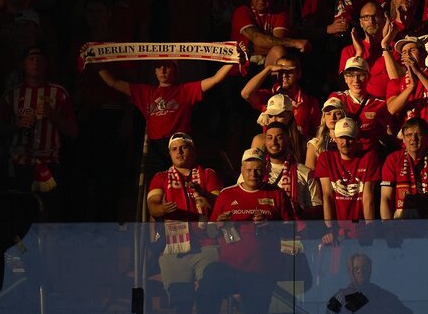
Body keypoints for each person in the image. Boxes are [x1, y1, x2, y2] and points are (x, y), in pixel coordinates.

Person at [196, 147, 295, 314]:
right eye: (249, 170)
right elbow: (210, 233)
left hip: (262, 270)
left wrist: (270, 225)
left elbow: (291, 230)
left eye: (258, 170)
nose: (253, 174)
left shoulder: (277, 194)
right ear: (242, 170)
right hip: (230, 267)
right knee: (209, 280)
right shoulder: (226, 194)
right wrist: (219, 223)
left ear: (265, 170)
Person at [97, 59, 236, 177]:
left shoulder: (185, 90)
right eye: (159, 67)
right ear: (155, 71)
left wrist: (232, 60)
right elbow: (112, 82)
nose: (163, 70)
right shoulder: (146, 92)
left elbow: (215, 79)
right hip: (156, 147)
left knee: (182, 181)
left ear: (175, 70)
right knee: (157, 184)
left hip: (179, 145)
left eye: (167, 66)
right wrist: (94, 61)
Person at [146, 132, 222, 314]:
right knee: (181, 302)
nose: (179, 152)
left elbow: (219, 205)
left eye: (183, 147)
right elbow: (153, 207)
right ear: (170, 154)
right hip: (173, 247)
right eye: (174, 149)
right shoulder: (161, 177)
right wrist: (164, 209)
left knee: (210, 298)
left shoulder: (208, 174)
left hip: (207, 244)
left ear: (193, 151)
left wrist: (203, 194)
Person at [0, 46, 77, 218]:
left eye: (40, 58)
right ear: (22, 65)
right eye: (31, 59)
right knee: (20, 217)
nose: (36, 62)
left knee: (49, 218)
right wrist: (17, 125)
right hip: (20, 165)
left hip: (49, 165)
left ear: (46, 64)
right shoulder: (12, 95)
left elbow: (73, 132)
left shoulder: (59, 93)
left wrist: (54, 116)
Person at [380, 118, 428, 241]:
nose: (413, 139)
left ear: (427, 136)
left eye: (418, 134)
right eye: (409, 135)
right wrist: (388, 230)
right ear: (403, 138)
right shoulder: (393, 159)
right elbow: (386, 198)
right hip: (400, 231)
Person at [315, 117, 380, 244]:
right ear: (335, 139)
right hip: (337, 230)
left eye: (350, 137)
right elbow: (327, 195)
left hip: (362, 229)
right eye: (341, 137)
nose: (345, 142)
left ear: (357, 139)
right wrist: (329, 229)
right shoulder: (326, 158)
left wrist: (370, 228)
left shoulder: (369, 157)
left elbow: (368, 197)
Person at [385, 37, 428, 149]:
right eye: (404, 52)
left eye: (412, 50)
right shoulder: (396, 83)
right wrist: (411, 87)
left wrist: (418, 72)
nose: (408, 54)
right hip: (406, 147)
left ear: (424, 53)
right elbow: (392, 109)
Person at [231, 0, 309, 67]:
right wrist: (295, 43)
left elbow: (278, 43)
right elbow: (257, 39)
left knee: (279, 50)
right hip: (242, 63)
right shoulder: (242, 11)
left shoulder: (280, 12)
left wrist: (260, 45)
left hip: (267, 61)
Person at [241, 53, 321, 138]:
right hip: (271, 147)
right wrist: (268, 69)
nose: (284, 75)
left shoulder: (310, 102)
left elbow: (316, 134)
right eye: (281, 71)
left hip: (296, 148)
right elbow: (246, 93)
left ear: (299, 74)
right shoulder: (269, 96)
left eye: (289, 72)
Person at [328, 57, 391, 153]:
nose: (356, 80)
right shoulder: (337, 98)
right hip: (342, 153)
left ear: (368, 77)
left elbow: (388, 135)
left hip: (369, 154)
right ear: (345, 78)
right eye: (351, 75)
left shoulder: (380, 104)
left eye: (360, 75)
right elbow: (328, 125)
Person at [260, 121, 321, 217]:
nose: (274, 142)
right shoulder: (254, 171)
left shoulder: (305, 172)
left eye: (279, 138)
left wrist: (299, 210)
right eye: (269, 138)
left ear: (287, 140)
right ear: (265, 141)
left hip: (293, 230)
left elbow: (317, 209)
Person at [338, 1, 393, 98]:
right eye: (366, 17)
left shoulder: (394, 48)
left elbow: (397, 79)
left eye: (375, 16)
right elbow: (346, 86)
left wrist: (385, 45)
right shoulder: (349, 51)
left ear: (384, 19)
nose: (371, 21)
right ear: (361, 23)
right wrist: (359, 53)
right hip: (360, 106)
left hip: (389, 105)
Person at [330, 253, 413, 314]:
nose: (360, 272)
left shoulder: (383, 296)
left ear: (370, 270)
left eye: (364, 268)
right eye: (356, 269)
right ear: (350, 272)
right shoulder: (339, 298)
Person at [249, 94, 307, 163]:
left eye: (279, 116)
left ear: (290, 115)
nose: (273, 120)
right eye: (270, 116)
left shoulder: (304, 142)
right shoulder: (260, 140)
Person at [305, 97, 346, 170]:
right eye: (328, 114)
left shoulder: (350, 142)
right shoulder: (315, 144)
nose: (332, 117)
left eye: (337, 113)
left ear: (344, 116)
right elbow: (309, 174)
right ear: (324, 117)